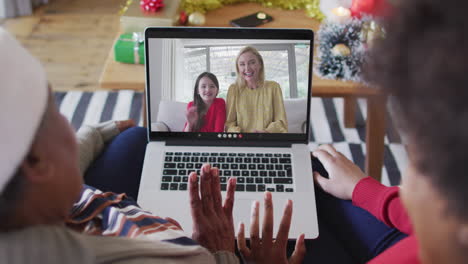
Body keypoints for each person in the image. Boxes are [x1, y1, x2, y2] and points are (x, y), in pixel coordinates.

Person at [0, 28, 306, 263]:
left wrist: (94, 131)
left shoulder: (44, 199)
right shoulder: (180, 258)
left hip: (108, 204)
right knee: (310, 188)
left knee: (136, 136)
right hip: (199, 240)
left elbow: (61, 160)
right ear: (37, 162)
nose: (71, 124)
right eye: (56, 114)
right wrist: (222, 252)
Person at [237, 0, 468, 263]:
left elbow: (278, 122)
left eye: (421, 167)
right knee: (313, 168)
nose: (405, 183)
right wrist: (363, 189)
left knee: (243, 242)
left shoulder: (272, 89)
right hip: (410, 237)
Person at [225, 46, 288, 133]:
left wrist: (266, 132)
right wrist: (242, 136)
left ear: (260, 65)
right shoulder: (233, 90)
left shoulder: (274, 87)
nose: (247, 68)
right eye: (242, 64)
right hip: (242, 142)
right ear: (238, 68)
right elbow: (229, 124)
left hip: (267, 141)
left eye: (252, 62)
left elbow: (281, 123)